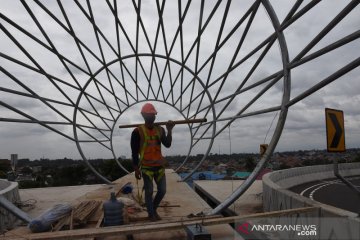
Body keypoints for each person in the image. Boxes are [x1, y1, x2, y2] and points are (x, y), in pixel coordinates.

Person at [131, 103, 175, 221]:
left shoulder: (160, 129)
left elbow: (167, 144)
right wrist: (136, 168)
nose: (151, 117)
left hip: (159, 166)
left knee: (162, 190)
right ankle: (151, 215)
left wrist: (169, 130)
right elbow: (134, 152)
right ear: (143, 115)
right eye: (149, 115)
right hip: (146, 166)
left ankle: (152, 209)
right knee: (149, 191)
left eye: (153, 115)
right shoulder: (137, 131)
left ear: (155, 116)